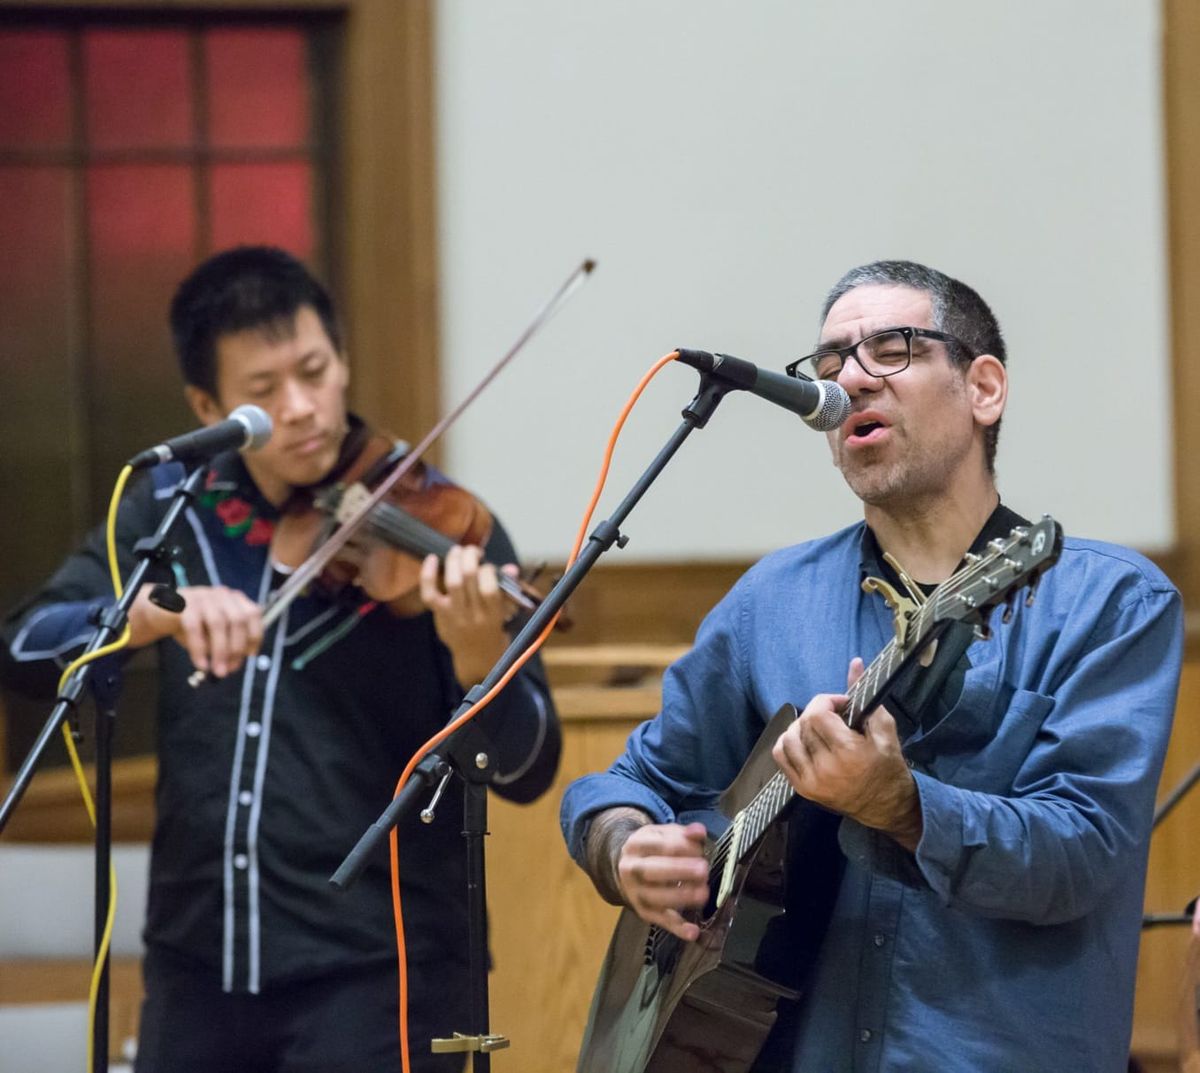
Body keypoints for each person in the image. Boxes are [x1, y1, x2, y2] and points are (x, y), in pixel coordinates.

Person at [561, 260, 1182, 1072]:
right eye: (829, 364)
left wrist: (903, 804)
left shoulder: (1109, 603)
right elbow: (623, 783)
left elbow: (1084, 854)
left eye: (892, 348)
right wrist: (624, 847)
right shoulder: (771, 603)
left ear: (983, 388)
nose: (851, 379)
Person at [1, 245, 560, 1073]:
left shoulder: (442, 524)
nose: (302, 407)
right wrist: (151, 616)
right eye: (263, 393)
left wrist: (479, 652)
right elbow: (22, 645)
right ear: (209, 404)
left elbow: (529, 765)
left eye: (315, 370)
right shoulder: (168, 517)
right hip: (198, 967)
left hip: (381, 971)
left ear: (342, 361)